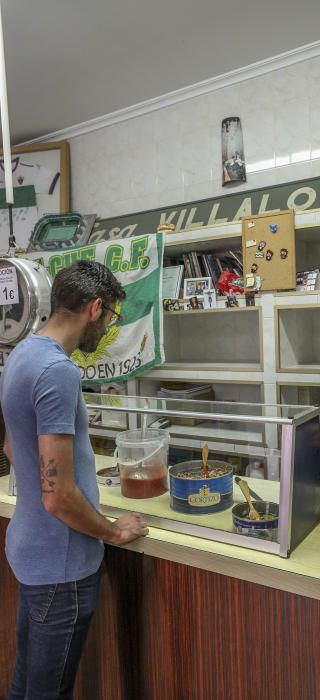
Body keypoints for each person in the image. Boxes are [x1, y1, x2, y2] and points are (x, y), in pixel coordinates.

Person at [0, 260, 149, 699]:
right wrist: (113, 530)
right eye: (111, 319)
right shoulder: (58, 372)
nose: (107, 331)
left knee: (26, 684)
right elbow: (58, 496)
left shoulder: (23, 353)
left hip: (31, 549)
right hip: (61, 566)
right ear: (95, 308)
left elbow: (10, 447)